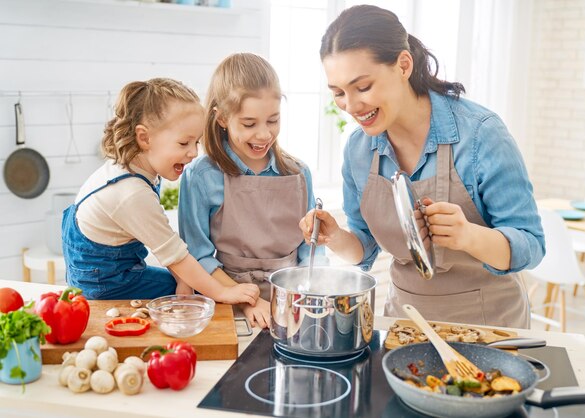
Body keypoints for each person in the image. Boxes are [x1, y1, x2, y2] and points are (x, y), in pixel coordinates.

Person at [300, 5, 545, 328]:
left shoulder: (481, 134)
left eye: (362, 87)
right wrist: (335, 237)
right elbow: (364, 248)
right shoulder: (359, 151)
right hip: (405, 322)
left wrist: (467, 235)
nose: (351, 106)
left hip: (489, 326)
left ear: (403, 65)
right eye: (338, 93)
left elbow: (531, 245)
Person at [62, 77, 260, 307]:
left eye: (196, 142)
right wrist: (223, 293)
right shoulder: (131, 193)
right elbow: (176, 256)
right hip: (106, 285)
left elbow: (164, 242)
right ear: (144, 138)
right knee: (201, 293)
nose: (194, 153)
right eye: (184, 143)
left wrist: (182, 279)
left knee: (189, 284)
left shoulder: (130, 168)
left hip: (105, 273)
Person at [178, 53, 325, 329]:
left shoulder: (298, 173)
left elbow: (311, 249)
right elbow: (197, 256)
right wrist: (245, 299)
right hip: (225, 301)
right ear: (221, 118)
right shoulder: (200, 176)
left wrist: (308, 290)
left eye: (273, 120)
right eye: (249, 124)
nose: (264, 135)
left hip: (293, 303)